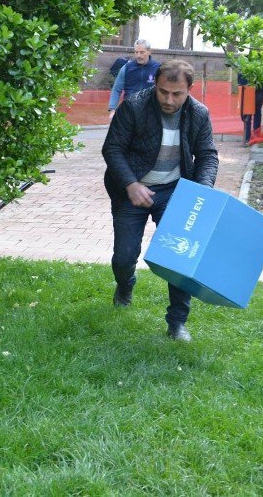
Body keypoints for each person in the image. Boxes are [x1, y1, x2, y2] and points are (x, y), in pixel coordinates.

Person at [101, 59, 218, 342]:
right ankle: (125, 284)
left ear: (190, 89)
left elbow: (207, 156)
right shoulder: (135, 107)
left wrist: (201, 190)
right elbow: (112, 149)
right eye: (163, 91)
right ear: (156, 84)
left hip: (175, 192)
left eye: (177, 94)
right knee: (124, 256)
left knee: (179, 257)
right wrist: (131, 183)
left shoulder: (199, 113)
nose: (169, 99)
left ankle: (177, 322)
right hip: (133, 190)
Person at [108, 39, 160, 118]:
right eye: (136, 52)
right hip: (129, 110)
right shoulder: (127, 68)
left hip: (150, 112)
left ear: (149, 51)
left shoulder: (158, 68)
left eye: (142, 52)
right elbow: (116, 89)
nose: (138, 55)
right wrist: (112, 109)